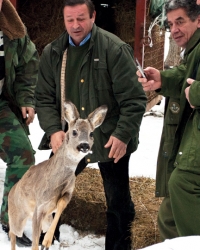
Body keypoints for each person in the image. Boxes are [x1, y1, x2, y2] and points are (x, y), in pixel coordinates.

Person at [35, 0, 146, 249]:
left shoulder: (114, 49)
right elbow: (42, 97)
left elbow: (134, 99)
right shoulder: (53, 52)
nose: (75, 25)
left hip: (108, 136)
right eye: (70, 19)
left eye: (81, 18)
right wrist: (53, 130)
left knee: (117, 199)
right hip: (70, 138)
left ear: (93, 16)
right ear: (63, 19)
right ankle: (43, 241)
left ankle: (119, 245)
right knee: (48, 190)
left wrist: (123, 135)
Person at [137, 0, 200, 242]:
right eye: (171, 23)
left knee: (183, 184)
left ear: (198, 20)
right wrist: (161, 79)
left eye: (180, 21)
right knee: (168, 215)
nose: (174, 29)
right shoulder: (193, 49)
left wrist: (196, 93)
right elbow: (186, 74)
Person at [0, 0, 39, 246]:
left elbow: (28, 66)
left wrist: (25, 99)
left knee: (23, 155)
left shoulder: (13, 31)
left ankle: (9, 217)